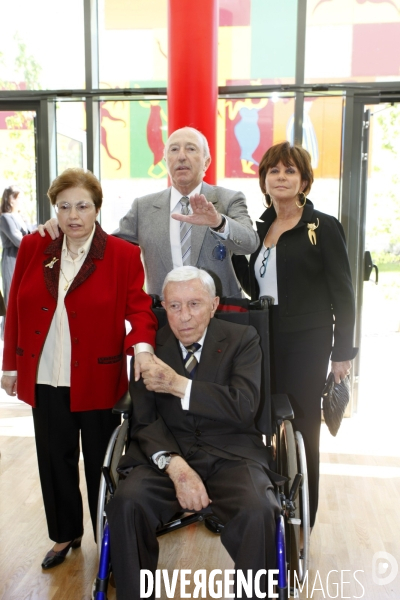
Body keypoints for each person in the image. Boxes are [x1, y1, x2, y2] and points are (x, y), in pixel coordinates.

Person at [1, 168, 157, 570]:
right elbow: (16, 304)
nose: (73, 215)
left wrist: (141, 347)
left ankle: (111, 542)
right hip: (45, 374)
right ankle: (65, 534)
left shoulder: (121, 254)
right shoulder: (39, 245)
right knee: (54, 460)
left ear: (97, 209)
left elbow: (139, 308)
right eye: (64, 206)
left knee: (101, 467)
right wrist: (10, 365)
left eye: (82, 206)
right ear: (55, 208)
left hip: (98, 380)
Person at [105, 266, 282, 600]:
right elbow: (143, 420)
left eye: (194, 304)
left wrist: (179, 385)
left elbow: (244, 406)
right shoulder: (149, 348)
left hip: (231, 454)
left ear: (214, 304)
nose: (183, 316)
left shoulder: (243, 340)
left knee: (259, 510)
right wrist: (176, 467)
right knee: (127, 504)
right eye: (174, 306)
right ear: (163, 306)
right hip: (167, 455)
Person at [232, 141, 358, 529]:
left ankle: (304, 516)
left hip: (309, 340)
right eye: (274, 171)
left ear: (304, 179)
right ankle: (270, 505)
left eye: (289, 171)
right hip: (266, 337)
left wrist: (342, 353)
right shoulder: (260, 228)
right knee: (264, 422)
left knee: (304, 428)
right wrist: (236, 252)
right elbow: (255, 287)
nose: (281, 177)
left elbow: (344, 293)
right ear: (264, 180)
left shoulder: (322, 226)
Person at [38, 127, 259, 298]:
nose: (181, 156)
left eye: (191, 149)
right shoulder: (143, 208)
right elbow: (105, 246)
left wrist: (218, 222)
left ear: (206, 161)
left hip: (220, 316)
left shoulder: (228, 199)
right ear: (166, 161)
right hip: (164, 318)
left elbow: (249, 242)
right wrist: (68, 223)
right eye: (174, 150)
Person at [0, 185, 32, 336]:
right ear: (11, 200)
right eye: (19, 198)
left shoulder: (21, 217)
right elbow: (18, 240)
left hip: (23, 259)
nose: (22, 201)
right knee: (11, 297)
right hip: (11, 259)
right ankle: (7, 335)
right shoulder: (5, 217)